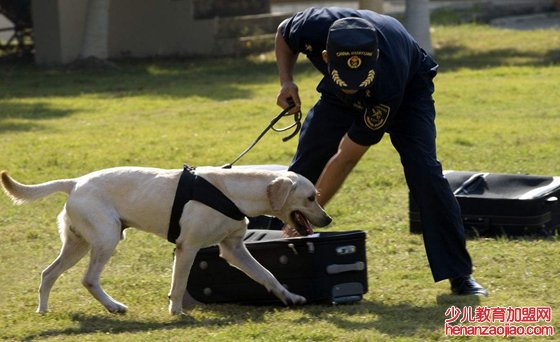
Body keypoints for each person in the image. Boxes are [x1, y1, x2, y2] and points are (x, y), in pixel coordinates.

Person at [274, 7, 487, 296]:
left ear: (373, 60)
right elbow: (284, 34)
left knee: (424, 172)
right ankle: (267, 248)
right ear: (327, 58)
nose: (353, 90)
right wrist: (287, 81)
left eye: (357, 81)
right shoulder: (314, 26)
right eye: (345, 80)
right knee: (306, 164)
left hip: (408, 91)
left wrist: (310, 215)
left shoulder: (388, 79)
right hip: (337, 94)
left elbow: (346, 157)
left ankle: (458, 274)